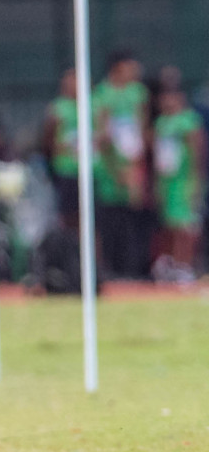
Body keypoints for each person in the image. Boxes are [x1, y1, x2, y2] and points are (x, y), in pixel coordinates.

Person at [93, 51, 149, 279]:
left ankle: (135, 269)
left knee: (135, 220)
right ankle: (111, 270)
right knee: (110, 221)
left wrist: (136, 168)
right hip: (110, 171)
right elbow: (102, 137)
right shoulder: (102, 95)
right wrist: (116, 169)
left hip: (133, 166)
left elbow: (141, 130)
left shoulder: (138, 93)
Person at [152, 83, 203, 282]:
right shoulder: (161, 123)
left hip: (184, 181)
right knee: (169, 225)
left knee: (185, 226)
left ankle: (184, 265)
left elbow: (197, 152)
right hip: (167, 181)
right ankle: (170, 263)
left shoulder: (188, 121)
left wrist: (194, 180)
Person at [41, 69, 81, 239]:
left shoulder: (91, 105)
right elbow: (48, 139)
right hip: (65, 170)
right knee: (68, 216)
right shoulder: (57, 108)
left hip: (88, 170)